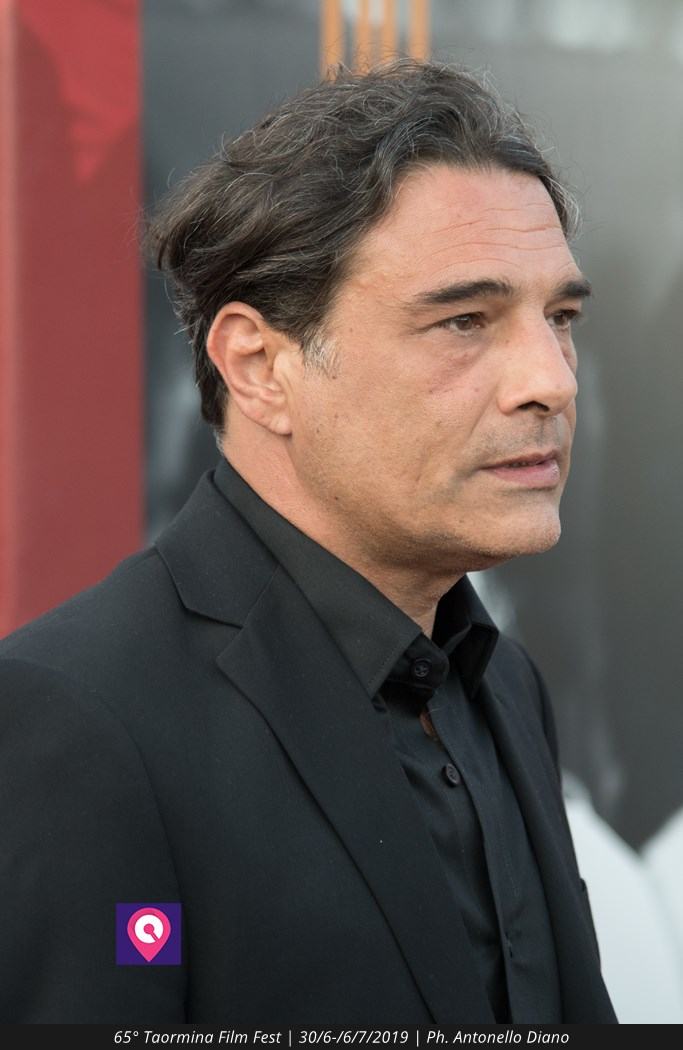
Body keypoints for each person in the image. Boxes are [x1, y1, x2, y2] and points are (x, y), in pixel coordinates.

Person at [0, 60, 617, 1025]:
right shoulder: (81, 720)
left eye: (560, 318)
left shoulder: (501, 683)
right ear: (258, 366)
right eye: (464, 320)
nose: (552, 380)